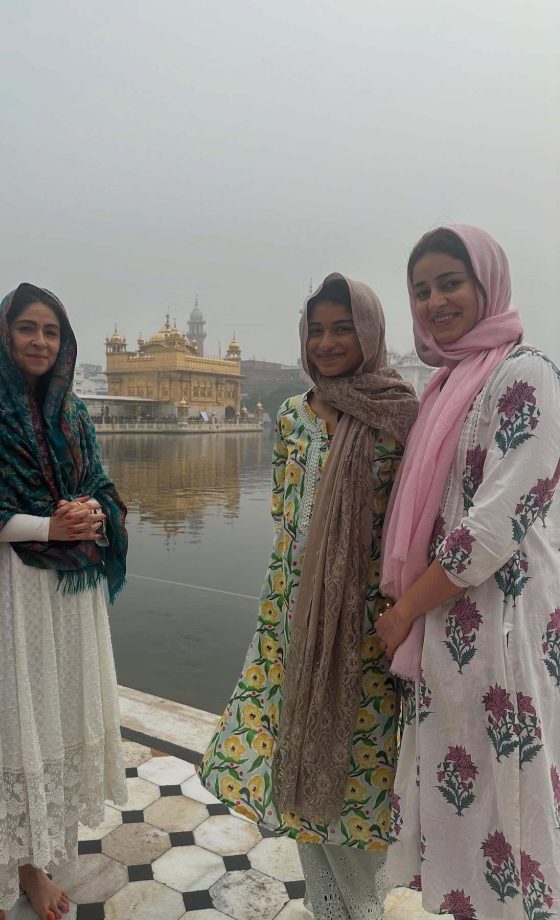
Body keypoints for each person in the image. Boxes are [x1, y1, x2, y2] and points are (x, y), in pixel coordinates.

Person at [198, 274, 418, 919]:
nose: (327, 342)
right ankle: (332, 909)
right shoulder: (295, 414)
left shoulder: (400, 415)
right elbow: (286, 518)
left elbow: (412, 523)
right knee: (294, 763)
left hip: (366, 635)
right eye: (316, 330)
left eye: (342, 328)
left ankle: (362, 907)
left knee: (359, 774)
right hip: (291, 624)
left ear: (370, 333)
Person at [0, 283, 128, 920]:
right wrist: (45, 527)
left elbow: (99, 487)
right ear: (3, 333)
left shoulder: (71, 412)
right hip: (1, 596)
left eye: (52, 332)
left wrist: (93, 511)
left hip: (62, 602)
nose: (40, 343)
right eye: (28, 329)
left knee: (49, 726)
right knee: (1, 728)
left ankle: (35, 867)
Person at [376, 225, 560, 920]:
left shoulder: (526, 373)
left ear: (488, 285)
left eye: (450, 282)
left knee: (506, 813)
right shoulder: (445, 384)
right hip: (448, 631)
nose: (434, 301)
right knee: (459, 812)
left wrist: (399, 613)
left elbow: (492, 528)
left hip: (504, 632)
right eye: (421, 290)